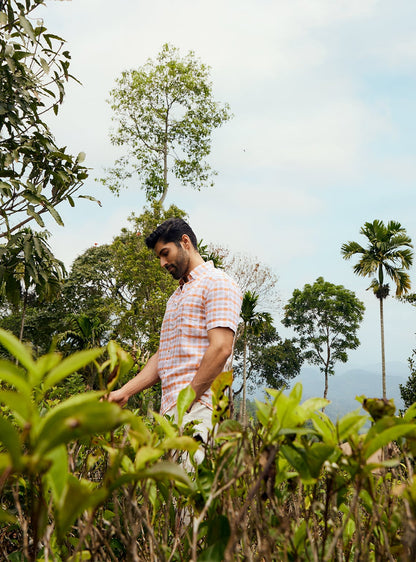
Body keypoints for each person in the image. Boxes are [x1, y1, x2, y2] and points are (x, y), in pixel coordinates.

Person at [108, 218, 242, 458]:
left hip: (200, 409)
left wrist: (187, 401)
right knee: (172, 493)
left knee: (193, 490)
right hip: (172, 412)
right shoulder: (176, 298)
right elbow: (165, 356)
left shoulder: (217, 282)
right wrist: (125, 392)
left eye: (165, 253)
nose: (162, 263)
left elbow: (221, 348)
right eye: (159, 257)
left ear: (185, 242)